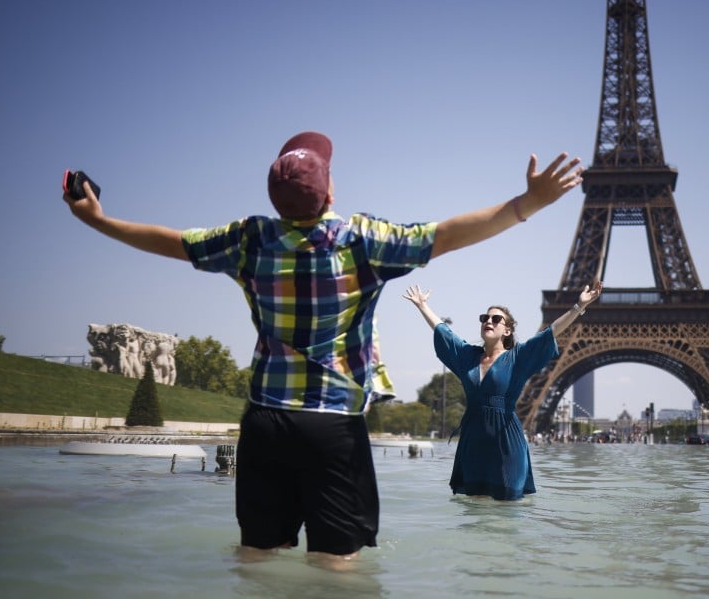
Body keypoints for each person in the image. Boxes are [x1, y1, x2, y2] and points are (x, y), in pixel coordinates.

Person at [62, 131, 584, 562]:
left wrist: (99, 220)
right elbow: (447, 234)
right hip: (333, 425)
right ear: (330, 192)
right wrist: (527, 204)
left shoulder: (250, 239)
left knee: (256, 556)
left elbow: (172, 241)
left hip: (265, 420)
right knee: (338, 564)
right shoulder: (361, 240)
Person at [402, 279, 603, 500]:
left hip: (506, 442)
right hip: (473, 441)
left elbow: (550, 332)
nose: (489, 321)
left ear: (507, 330)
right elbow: (444, 333)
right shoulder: (467, 356)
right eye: (484, 318)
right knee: (474, 511)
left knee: (505, 514)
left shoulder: (517, 358)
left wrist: (579, 306)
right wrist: (423, 306)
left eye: (496, 319)